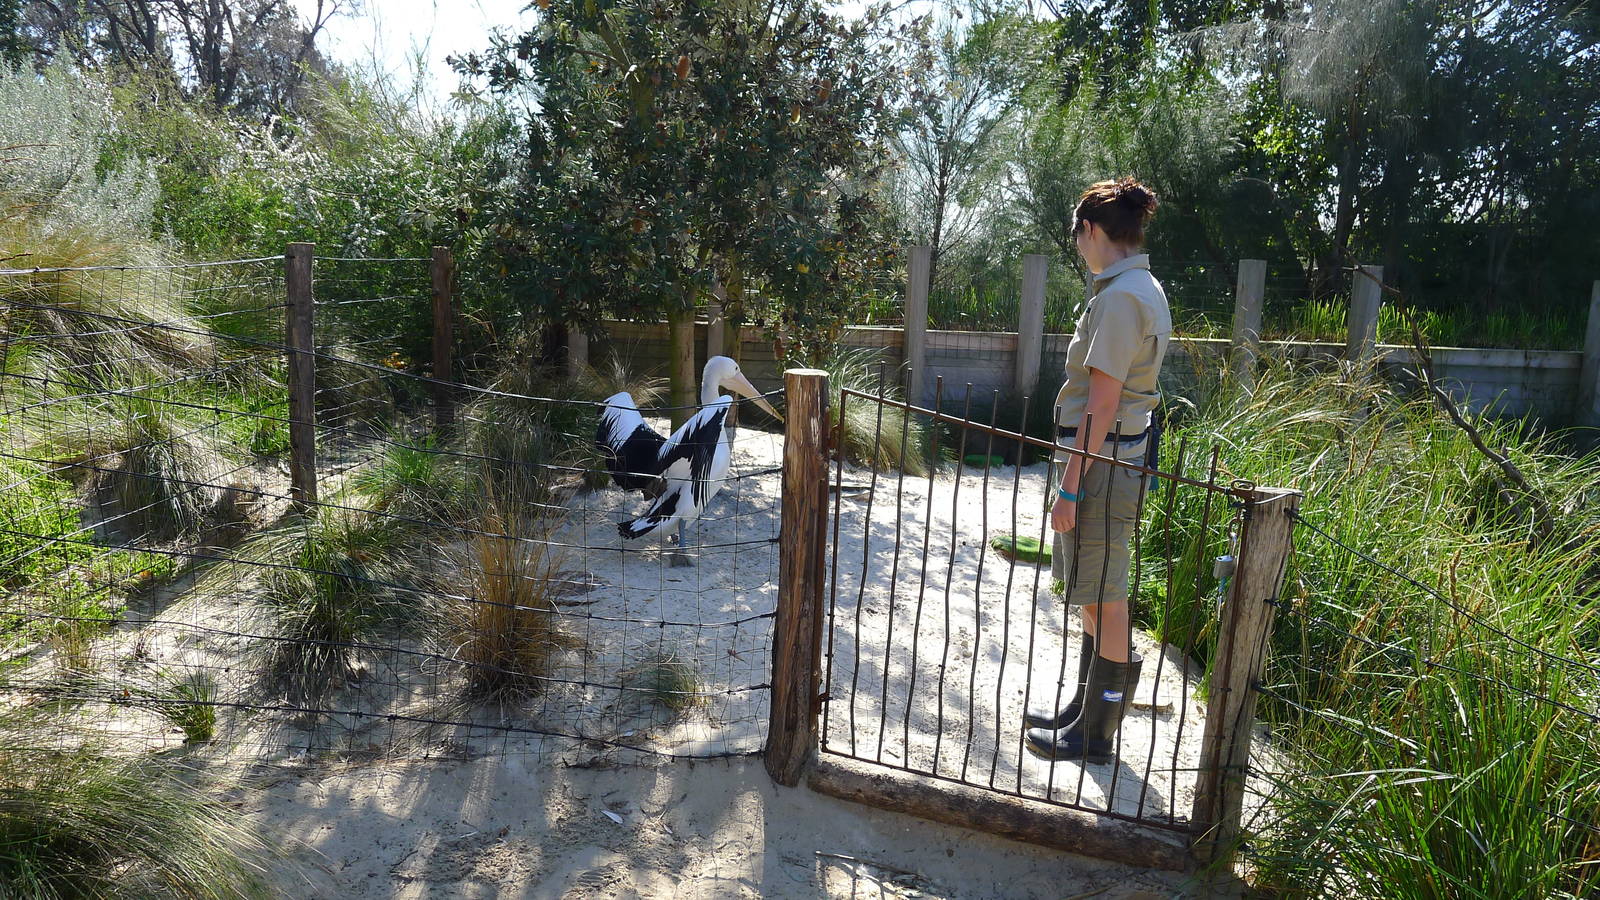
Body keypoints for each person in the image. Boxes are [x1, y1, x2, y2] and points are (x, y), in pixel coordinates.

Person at [1024, 178, 1169, 764]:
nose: (1076, 247)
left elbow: (1101, 406)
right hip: (1110, 458)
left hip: (1102, 463)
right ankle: (1085, 709)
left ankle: (1096, 734)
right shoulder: (1137, 287)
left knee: (1106, 596)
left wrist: (1068, 486)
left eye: (1076, 236)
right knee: (1093, 589)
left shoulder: (1120, 298)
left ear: (1091, 230)